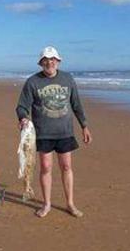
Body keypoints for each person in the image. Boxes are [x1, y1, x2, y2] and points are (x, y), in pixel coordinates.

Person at [16, 46, 92, 218]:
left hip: (65, 132)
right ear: (41, 63)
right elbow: (22, 106)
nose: (49, 62)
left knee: (66, 166)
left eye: (52, 59)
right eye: (46, 60)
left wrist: (84, 126)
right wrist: (23, 118)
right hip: (43, 133)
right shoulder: (32, 82)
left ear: (58, 61)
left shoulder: (68, 79)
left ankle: (70, 203)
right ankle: (47, 204)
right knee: (46, 167)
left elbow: (76, 104)